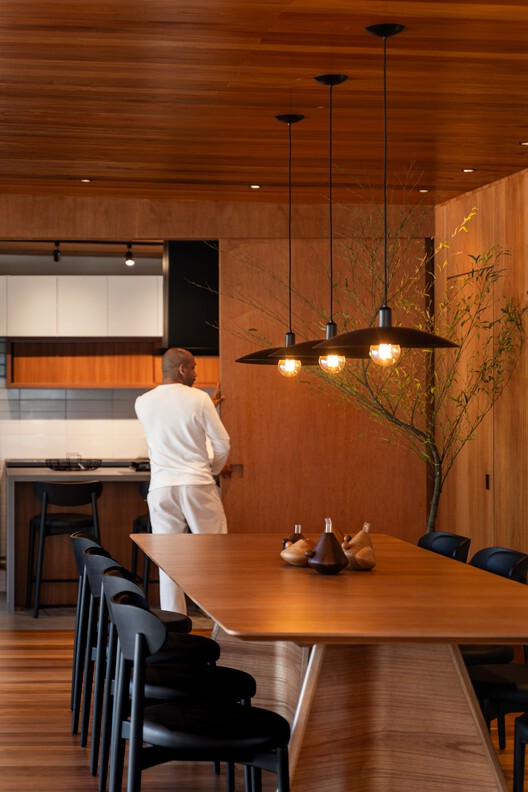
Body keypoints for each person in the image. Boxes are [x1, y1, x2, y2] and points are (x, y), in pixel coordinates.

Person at [135, 347, 230, 614]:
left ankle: (175, 625)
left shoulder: (142, 402)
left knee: (168, 560)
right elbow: (222, 443)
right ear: (181, 369)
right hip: (196, 484)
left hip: (161, 488)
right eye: (193, 368)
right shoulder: (199, 399)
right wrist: (213, 469)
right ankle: (219, 619)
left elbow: (169, 432)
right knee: (216, 554)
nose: (196, 374)